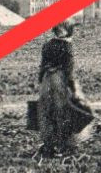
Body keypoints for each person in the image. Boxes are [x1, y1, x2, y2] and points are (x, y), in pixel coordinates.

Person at [35, 23, 95, 157]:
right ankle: (65, 146)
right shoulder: (67, 47)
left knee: (48, 112)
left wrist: (41, 83)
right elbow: (69, 71)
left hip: (46, 81)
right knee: (65, 113)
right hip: (59, 82)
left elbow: (42, 68)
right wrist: (73, 90)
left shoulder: (47, 45)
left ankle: (49, 145)